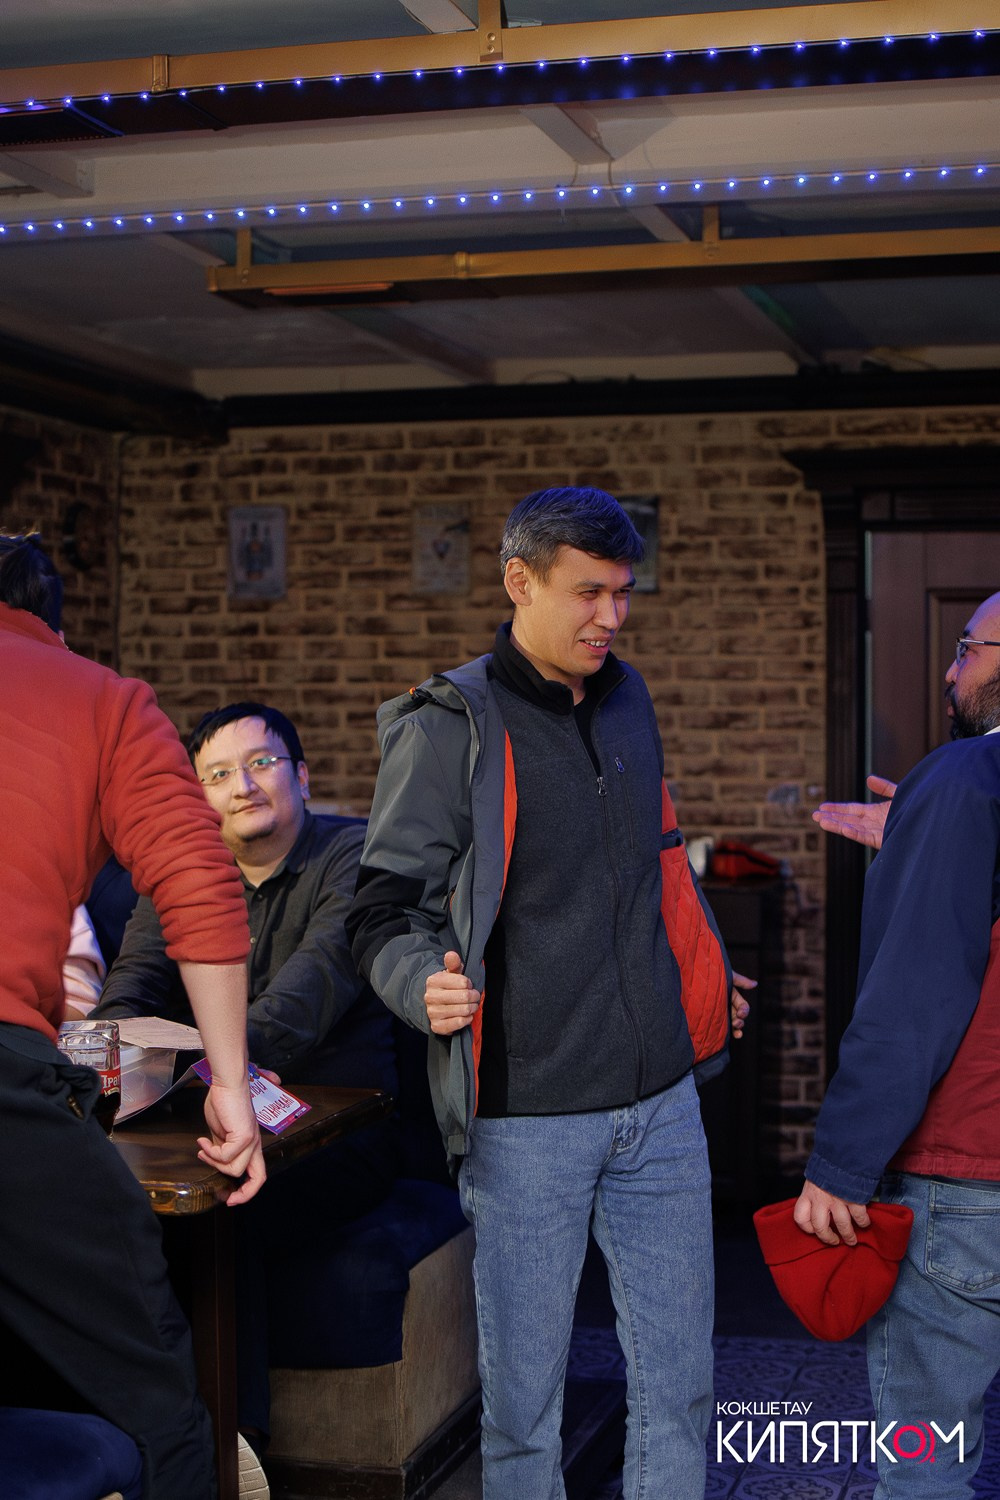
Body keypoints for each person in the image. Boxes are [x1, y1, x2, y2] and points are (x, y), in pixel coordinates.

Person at [348, 487, 748, 1500]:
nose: (612, 617)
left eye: (623, 593)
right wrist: (419, 985)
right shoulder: (449, 725)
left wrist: (699, 972)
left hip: (661, 1106)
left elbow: (652, 866)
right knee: (524, 1413)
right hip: (527, 1123)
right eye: (589, 593)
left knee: (681, 1390)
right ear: (518, 581)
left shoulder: (629, 696)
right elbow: (380, 911)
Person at [0, 532, 263, 1500]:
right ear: (54, 624)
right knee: (163, 1403)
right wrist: (230, 1086)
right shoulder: (97, 698)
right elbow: (197, 882)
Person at [93, 700, 398, 1450]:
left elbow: (307, 996)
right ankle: (139, 1439)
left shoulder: (354, 857)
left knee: (226, 1206)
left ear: (302, 775)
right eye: (219, 774)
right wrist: (106, 1055)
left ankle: (238, 1446)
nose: (243, 786)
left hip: (337, 1131)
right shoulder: (182, 875)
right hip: (210, 1116)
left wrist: (206, 1058)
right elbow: (129, 989)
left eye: (261, 764)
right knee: (108, 1209)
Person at [796, 591, 1000, 1498]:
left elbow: (916, 994)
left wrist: (842, 1163)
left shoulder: (966, 778)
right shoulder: (959, 800)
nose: (952, 671)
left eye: (968, 648)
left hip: (971, 1180)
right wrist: (932, 838)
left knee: (927, 1464)